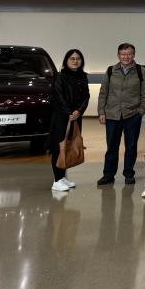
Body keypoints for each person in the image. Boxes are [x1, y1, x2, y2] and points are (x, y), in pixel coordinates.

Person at [97, 43, 145, 186]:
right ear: (118, 55)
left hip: (132, 115)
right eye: (123, 54)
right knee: (112, 147)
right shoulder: (110, 70)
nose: (126, 57)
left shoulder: (141, 71)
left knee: (131, 147)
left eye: (129, 54)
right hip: (112, 115)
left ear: (134, 55)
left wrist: (141, 111)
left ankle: (129, 174)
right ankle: (108, 175)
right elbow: (103, 93)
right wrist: (101, 111)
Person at [49, 48, 90, 192]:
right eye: (72, 58)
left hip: (76, 118)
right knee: (59, 148)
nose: (75, 61)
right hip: (62, 118)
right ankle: (56, 180)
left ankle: (62, 177)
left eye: (78, 58)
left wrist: (79, 111)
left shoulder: (83, 76)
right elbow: (58, 96)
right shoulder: (60, 77)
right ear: (66, 61)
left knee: (68, 146)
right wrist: (69, 113)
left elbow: (86, 96)